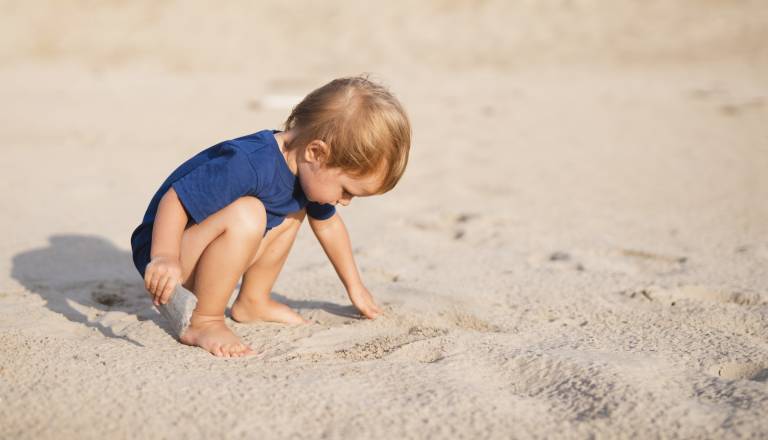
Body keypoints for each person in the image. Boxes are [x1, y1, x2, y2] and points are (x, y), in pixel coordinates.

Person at [129, 76, 411, 358]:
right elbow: (175, 200)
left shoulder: (308, 172)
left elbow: (329, 226)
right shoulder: (247, 163)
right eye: (347, 190)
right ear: (316, 152)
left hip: (206, 254)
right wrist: (165, 256)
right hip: (170, 258)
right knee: (248, 214)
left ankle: (253, 300)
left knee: (294, 210)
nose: (345, 201)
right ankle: (204, 320)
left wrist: (355, 287)